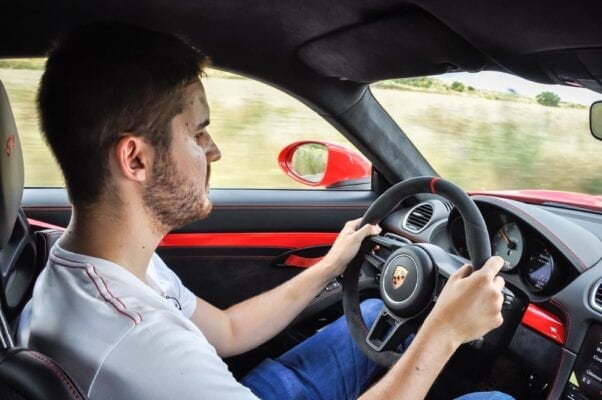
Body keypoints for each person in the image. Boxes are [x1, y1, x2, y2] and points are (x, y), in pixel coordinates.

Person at [28, 22, 513, 400]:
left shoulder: (101, 264)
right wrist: (446, 332)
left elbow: (229, 331)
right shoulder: (136, 340)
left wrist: (329, 266)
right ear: (136, 159)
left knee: (370, 313)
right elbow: (167, 351)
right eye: (197, 133)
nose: (213, 150)